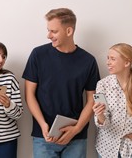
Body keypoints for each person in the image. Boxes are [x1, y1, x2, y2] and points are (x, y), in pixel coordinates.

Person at [22, 8, 100, 157]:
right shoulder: (38, 55)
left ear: (69, 31)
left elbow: (93, 99)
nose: (48, 35)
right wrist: (43, 124)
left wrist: (76, 129)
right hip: (43, 137)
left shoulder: (88, 61)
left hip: (76, 138)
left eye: (54, 31)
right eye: (48, 30)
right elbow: (29, 95)